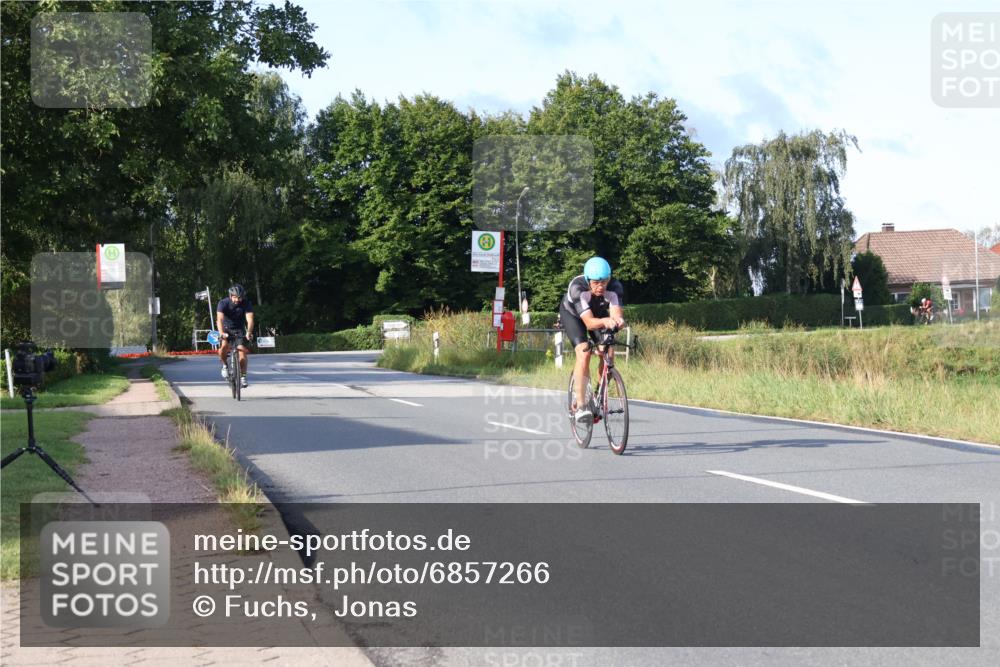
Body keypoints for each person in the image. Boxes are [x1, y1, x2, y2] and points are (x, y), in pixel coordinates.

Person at [559, 257, 626, 424]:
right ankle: (581, 405)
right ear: (588, 280)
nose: (601, 286)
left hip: (598, 314)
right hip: (574, 315)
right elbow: (589, 323)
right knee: (584, 352)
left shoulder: (615, 287)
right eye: (596, 282)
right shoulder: (577, 288)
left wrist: (618, 321)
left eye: (604, 282)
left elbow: (616, 314)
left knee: (608, 352)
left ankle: (597, 395)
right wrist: (606, 321)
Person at [216, 284, 254, 388]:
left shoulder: (246, 304)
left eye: (240, 297)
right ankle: (225, 366)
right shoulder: (223, 303)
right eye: (235, 297)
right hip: (226, 329)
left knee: (242, 352)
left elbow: (250, 320)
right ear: (230, 296)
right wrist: (221, 333)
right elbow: (219, 320)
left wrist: (249, 332)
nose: (237, 299)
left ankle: (243, 376)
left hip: (239, 330)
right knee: (223, 347)